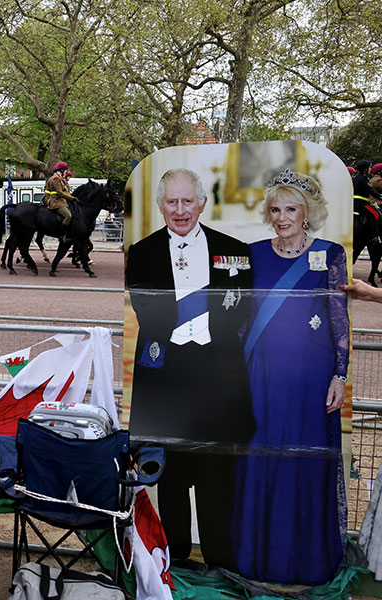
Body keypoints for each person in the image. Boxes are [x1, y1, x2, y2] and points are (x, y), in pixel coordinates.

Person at [125, 168, 254, 570]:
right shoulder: (142, 253)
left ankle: (221, 562)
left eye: (187, 201)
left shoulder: (235, 251)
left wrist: (199, 320)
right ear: (161, 206)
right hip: (168, 380)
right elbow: (149, 314)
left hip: (218, 377)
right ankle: (175, 559)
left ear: (201, 203)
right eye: (172, 202)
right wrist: (200, 313)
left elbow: (241, 312)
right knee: (173, 476)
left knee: (217, 477)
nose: (180, 210)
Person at [232, 170, 348, 585]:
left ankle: (303, 561)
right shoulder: (253, 253)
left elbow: (339, 317)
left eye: (291, 209)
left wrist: (340, 373)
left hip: (309, 381)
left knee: (303, 464)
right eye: (275, 209)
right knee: (261, 460)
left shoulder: (331, 254)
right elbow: (242, 321)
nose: (282, 217)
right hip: (261, 378)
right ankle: (257, 558)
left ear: (307, 213)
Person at [354, 159, 382, 245]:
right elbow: (369, 190)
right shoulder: (363, 178)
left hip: (359, 202)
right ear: (365, 169)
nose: (370, 169)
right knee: (376, 215)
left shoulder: (358, 177)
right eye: (369, 167)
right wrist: (380, 196)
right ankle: (375, 237)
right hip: (361, 203)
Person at [43, 162, 74, 226]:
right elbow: (60, 193)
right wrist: (72, 198)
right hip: (56, 202)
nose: (66, 172)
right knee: (68, 216)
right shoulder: (55, 179)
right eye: (65, 170)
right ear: (61, 170)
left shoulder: (59, 178)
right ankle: (62, 232)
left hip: (60, 201)